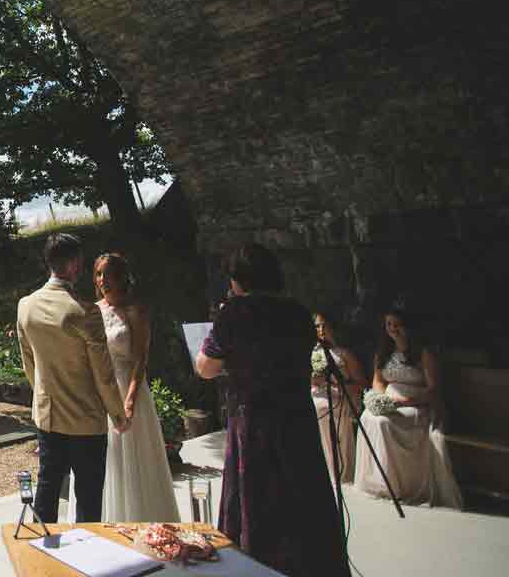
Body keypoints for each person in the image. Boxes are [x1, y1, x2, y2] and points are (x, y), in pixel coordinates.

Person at [195, 243, 347, 577]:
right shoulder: (297, 312)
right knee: (302, 498)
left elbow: (205, 367)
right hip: (296, 417)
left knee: (258, 503)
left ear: (239, 278)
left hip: (255, 423)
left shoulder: (233, 313)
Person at [17, 233, 127, 524]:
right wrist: (118, 413)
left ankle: (41, 553)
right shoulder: (85, 311)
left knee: (48, 485)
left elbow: (29, 363)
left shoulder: (25, 306)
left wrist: (43, 395)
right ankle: (88, 558)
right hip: (86, 418)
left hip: (48, 414)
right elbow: (103, 374)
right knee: (89, 496)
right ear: (75, 264)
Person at [64, 253, 179, 523]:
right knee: (101, 462)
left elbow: (141, 360)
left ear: (121, 277)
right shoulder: (92, 310)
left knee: (133, 460)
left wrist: (129, 402)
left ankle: (141, 521)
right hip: (98, 392)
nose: (103, 280)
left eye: (108, 273)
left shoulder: (135, 310)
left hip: (128, 389)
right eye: (98, 274)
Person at [353, 309, 463, 507]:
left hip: (417, 405)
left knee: (385, 423)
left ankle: (400, 485)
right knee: (368, 418)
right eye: (389, 324)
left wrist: (403, 402)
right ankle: (380, 481)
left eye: (397, 324)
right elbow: (378, 381)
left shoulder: (423, 353)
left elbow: (433, 390)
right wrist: (377, 400)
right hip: (390, 402)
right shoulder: (383, 353)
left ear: (408, 327)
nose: (393, 329)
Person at [312, 311, 363, 484]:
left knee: (324, 408)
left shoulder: (344, 354)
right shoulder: (311, 353)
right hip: (316, 395)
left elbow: (360, 384)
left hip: (341, 397)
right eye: (317, 326)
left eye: (324, 325)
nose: (321, 329)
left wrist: (336, 382)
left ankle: (341, 472)